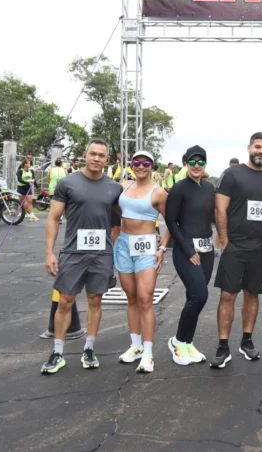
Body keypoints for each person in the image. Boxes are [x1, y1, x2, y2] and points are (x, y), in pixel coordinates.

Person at [41, 139, 123, 374]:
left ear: (108, 160)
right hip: (73, 252)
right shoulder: (68, 183)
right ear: (85, 155)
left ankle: (89, 349)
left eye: (101, 155)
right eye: (93, 154)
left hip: (101, 254)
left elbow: (124, 218)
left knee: (95, 300)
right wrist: (49, 253)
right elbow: (53, 218)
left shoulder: (114, 188)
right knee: (65, 300)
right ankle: (58, 352)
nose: (96, 158)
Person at [210, 132, 262, 369]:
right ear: (249, 147)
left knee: (252, 294)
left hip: (259, 249)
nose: (261, 151)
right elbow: (220, 209)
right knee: (228, 295)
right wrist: (224, 239)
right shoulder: (232, 174)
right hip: (235, 246)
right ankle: (222, 345)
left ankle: (246, 341)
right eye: (257, 146)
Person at [113, 151, 169, 373]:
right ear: (132, 164)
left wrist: (162, 247)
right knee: (131, 297)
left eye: (146, 163)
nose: (141, 166)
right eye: (137, 162)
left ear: (152, 166)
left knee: (145, 299)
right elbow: (118, 210)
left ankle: (148, 353)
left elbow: (170, 223)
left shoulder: (159, 192)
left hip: (146, 247)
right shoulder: (124, 186)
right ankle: (135, 346)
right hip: (124, 245)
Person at [165, 146, 215, 365]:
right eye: (192, 162)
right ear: (185, 163)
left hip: (207, 250)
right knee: (199, 295)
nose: (197, 166)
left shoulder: (209, 188)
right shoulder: (178, 188)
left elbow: (218, 214)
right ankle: (177, 341)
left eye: (201, 162)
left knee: (194, 297)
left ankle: (187, 341)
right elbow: (170, 221)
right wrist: (187, 250)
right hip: (186, 251)